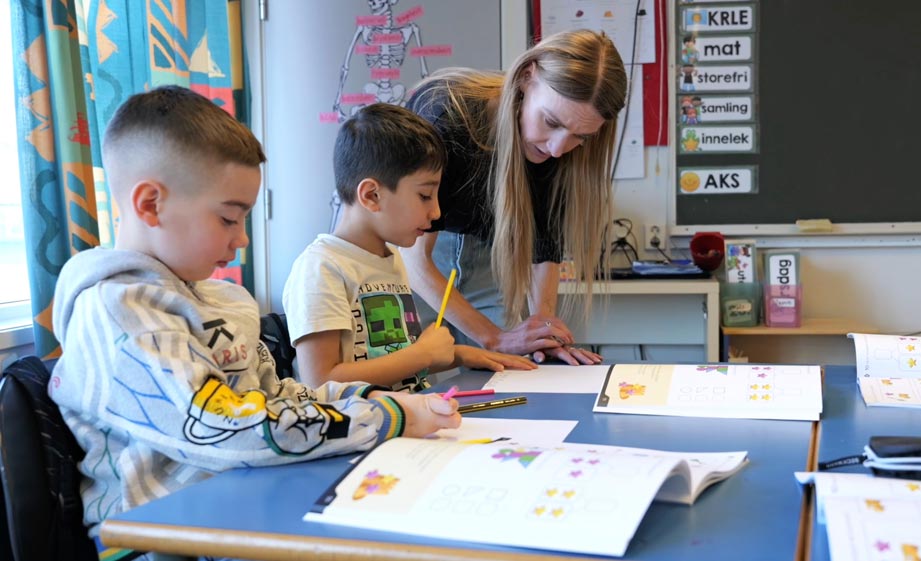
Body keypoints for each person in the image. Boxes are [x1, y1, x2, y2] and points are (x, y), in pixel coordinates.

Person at [48, 86, 461, 534]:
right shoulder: (115, 313)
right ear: (151, 204)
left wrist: (373, 399)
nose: (242, 238)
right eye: (228, 218)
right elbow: (224, 426)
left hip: (248, 504)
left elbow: (275, 397)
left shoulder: (216, 299)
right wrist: (385, 418)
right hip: (168, 537)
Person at [402, 29, 627, 365]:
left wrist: (543, 327)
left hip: (486, 255)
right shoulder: (447, 115)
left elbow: (545, 242)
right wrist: (494, 338)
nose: (557, 149)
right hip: (410, 258)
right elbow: (414, 261)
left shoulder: (561, 150)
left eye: (580, 136)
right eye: (550, 122)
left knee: (520, 367)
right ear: (526, 77)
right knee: (412, 380)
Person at [283, 103, 536, 390]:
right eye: (425, 195)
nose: (437, 212)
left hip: (411, 419)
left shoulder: (390, 260)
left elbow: (394, 358)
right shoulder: (321, 268)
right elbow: (321, 380)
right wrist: (421, 354)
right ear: (372, 195)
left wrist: (461, 354)